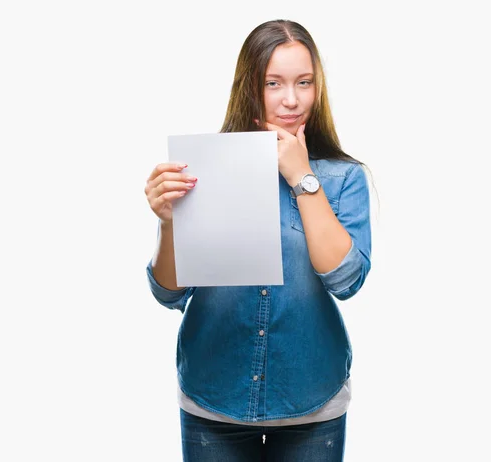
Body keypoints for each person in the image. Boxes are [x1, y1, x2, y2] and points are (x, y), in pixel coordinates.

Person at [144, 19, 372, 462]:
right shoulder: (203, 168)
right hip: (214, 396)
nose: (291, 99)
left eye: (304, 82)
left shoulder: (343, 177)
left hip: (311, 397)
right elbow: (169, 291)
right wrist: (170, 223)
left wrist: (302, 177)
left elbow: (345, 280)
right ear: (250, 86)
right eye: (274, 83)